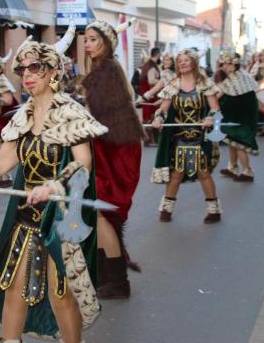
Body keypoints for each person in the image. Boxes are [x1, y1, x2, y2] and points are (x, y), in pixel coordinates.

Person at [0, 27, 107, 342]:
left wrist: (55, 186)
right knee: (13, 288)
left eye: (35, 68)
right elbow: (2, 161)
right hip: (27, 219)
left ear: (54, 71)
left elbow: (83, 164)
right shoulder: (23, 116)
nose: (26, 75)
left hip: (60, 221)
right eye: (22, 69)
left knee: (62, 295)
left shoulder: (71, 113)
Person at [81, 17, 145, 299]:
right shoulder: (100, 70)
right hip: (106, 145)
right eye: (85, 39)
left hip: (117, 149)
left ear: (106, 43)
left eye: (93, 39)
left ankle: (117, 281)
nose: (87, 44)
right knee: (97, 210)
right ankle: (105, 274)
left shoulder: (107, 69)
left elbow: (104, 113)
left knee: (102, 210)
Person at [151, 49, 223, 224]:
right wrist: (158, 118)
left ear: (194, 63)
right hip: (179, 137)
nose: (182, 63)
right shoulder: (173, 84)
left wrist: (210, 118)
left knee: (204, 172)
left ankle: (214, 211)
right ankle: (166, 209)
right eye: (179, 61)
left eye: (186, 60)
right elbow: (163, 109)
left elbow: (215, 109)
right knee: (176, 173)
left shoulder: (205, 83)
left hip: (200, 137)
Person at [215, 53, 259, 181]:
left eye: (227, 64)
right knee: (232, 142)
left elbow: (218, 95)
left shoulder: (234, 79)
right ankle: (232, 167)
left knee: (239, 143)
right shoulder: (242, 74)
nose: (224, 67)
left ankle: (247, 171)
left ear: (234, 65)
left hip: (241, 116)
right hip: (237, 114)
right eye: (223, 64)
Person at [139, 47, 162, 145]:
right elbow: (151, 80)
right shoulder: (151, 66)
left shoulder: (147, 65)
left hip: (149, 96)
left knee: (148, 117)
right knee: (150, 117)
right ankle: (149, 140)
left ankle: (149, 140)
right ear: (158, 54)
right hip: (150, 96)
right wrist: (164, 80)